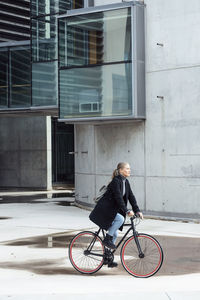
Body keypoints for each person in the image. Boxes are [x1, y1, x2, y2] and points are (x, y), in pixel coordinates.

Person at [89, 162, 143, 268]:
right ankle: (107, 238)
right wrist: (127, 211)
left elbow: (131, 197)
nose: (129, 170)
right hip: (104, 209)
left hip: (111, 210)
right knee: (120, 219)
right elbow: (118, 198)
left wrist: (137, 210)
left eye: (129, 168)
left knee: (116, 234)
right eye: (127, 168)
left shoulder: (125, 182)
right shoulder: (116, 181)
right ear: (121, 170)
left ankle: (107, 257)